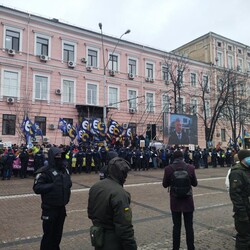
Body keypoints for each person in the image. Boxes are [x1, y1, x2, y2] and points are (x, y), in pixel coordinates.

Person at [88, 156, 137, 250]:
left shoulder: (95, 187)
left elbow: (90, 212)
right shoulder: (120, 193)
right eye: (124, 173)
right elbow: (124, 226)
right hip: (113, 239)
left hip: (98, 235)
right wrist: (131, 246)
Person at [33, 146, 72, 250]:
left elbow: (69, 184)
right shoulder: (44, 171)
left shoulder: (65, 170)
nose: (60, 157)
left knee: (57, 234)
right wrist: (52, 185)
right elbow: (37, 188)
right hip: (49, 209)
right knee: (48, 236)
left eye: (61, 155)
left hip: (61, 208)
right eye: (57, 155)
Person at [162, 150, 198, 250]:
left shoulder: (168, 169)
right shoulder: (190, 167)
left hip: (175, 201)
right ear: (183, 157)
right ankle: (191, 248)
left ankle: (175, 248)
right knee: (189, 227)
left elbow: (165, 185)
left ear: (173, 157)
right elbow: (195, 184)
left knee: (176, 227)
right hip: (188, 201)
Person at [229, 149, 250, 250]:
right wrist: (242, 213)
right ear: (242, 159)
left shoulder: (247, 170)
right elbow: (235, 196)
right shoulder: (237, 172)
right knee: (244, 238)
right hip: (243, 211)